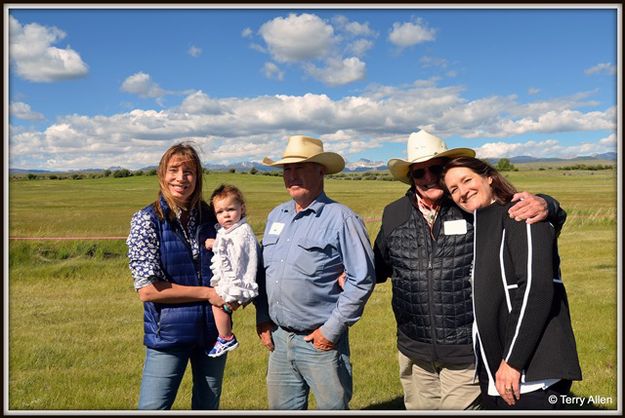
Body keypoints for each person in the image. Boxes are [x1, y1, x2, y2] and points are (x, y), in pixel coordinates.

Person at [373, 130, 567, 410]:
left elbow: (517, 214)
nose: (427, 177)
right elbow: (380, 265)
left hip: (465, 350)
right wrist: (345, 272)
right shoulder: (394, 213)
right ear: (410, 177)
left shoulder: (469, 206)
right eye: (419, 172)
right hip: (414, 349)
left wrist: (549, 205)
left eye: (435, 169)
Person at [442, 156, 582, 409]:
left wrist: (512, 362)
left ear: (489, 177)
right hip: (497, 369)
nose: (462, 192)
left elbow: (535, 289)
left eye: (467, 180)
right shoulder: (482, 224)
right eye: (453, 189)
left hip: (530, 371)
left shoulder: (521, 214)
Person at [255, 135, 376, 410]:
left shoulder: (342, 218)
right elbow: (264, 273)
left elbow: (362, 279)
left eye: (300, 168)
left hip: (320, 343)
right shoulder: (277, 216)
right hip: (280, 341)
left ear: (321, 171)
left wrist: (331, 331)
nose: (292, 175)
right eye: (287, 169)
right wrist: (262, 317)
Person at [127, 143, 232, 410]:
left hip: (212, 335)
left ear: (197, 178)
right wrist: (208, 293)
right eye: (173, 170)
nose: (181, 178)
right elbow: (148, 291)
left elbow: (238, 259)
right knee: (153, 408)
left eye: (189, 171)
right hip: (168, 335)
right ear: (162, 174)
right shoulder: (147, 220)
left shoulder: (213, 217)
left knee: (208, 406)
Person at [204, 184, 259, 358]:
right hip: (233, 279)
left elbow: (236, 252)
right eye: (220, 212)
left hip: (238, 280)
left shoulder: (242, 231)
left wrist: (215, 244)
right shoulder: (229, 230)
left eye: (230, 209)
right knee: (222, 307)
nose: (226, 215)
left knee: (217, 305)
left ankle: (226, 337)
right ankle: (224, 336)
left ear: (241, 208)